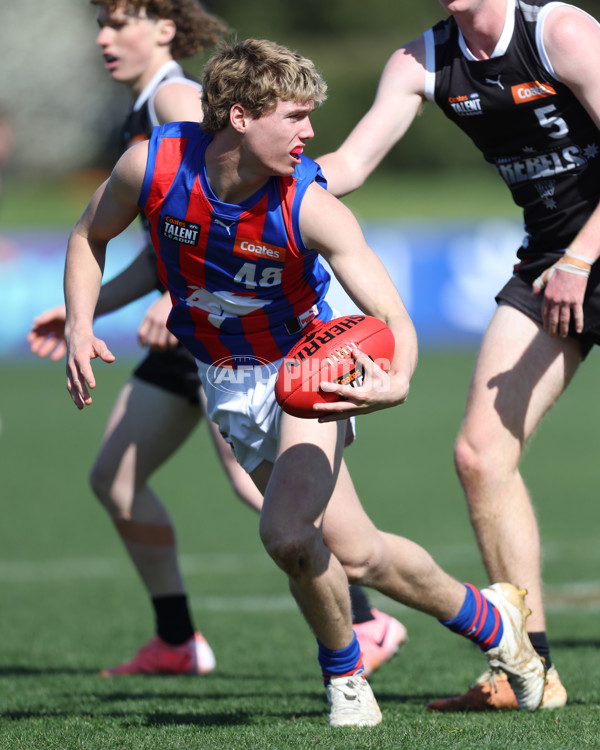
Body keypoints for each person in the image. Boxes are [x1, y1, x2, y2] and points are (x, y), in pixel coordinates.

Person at [62, 37, 546, 727]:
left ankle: (345, 677)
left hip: (306, 369)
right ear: (238, 117)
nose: (310, 133)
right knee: (359, 553)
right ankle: (494, 621)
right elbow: (88, 235)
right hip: (222, 377)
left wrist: (398, 379)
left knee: (287, 534)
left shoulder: (309, 204)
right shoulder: (154, 164)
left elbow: (390, 315)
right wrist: (82, 323)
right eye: (294, 117)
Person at [27, 0, 406, 677]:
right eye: (101, 23)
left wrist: (169, 294)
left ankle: (364, 626)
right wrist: (89, 311)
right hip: (196, 326)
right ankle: (180, 638)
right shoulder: (143, 115)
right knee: (121, 481)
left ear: (164, 29)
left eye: (119, 23)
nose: (104, 37)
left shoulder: (173, 98)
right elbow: (148, 233)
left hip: (234, 323)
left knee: (278, 506)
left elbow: (218, 220)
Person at [316, 0, 600, 711]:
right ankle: (527, 670)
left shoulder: (561, 33)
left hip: (578, 255)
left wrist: (582, 255)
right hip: (550, 265)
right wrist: (245, 181)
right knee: (481, 455)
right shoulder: (422, 61)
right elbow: (349, 164)